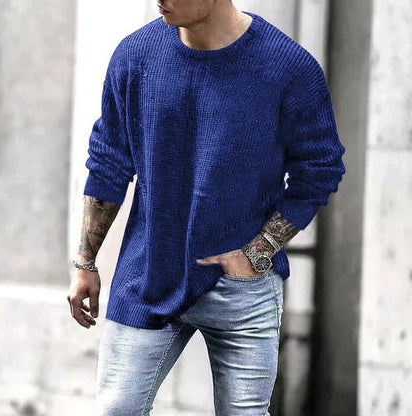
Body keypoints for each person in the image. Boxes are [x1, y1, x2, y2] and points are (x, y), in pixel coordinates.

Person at [66, 0, 346, 414]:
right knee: (115, 410)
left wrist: (258, 252)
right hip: (148, 274)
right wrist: (85, 262)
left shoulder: (288, 68)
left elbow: (320, 169)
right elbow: (109, 161)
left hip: (241, 286)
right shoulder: (135, 56)